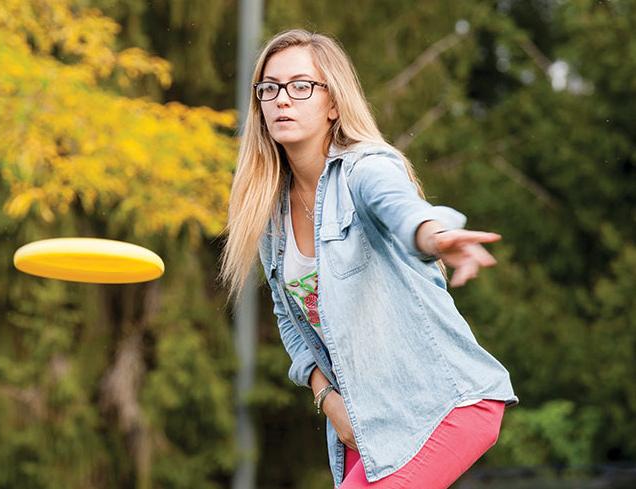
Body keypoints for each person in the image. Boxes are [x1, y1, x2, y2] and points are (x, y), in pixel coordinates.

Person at [219, 29, 518, 488]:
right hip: (375, 425)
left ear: (333, 103)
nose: (283, 100)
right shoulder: (270, 210)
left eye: (301, 87)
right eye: (270, 88)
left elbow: (400, 208)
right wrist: (327, 398)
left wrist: (436, 236)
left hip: (448, 402)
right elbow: (289, 317)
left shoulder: (364, 168)